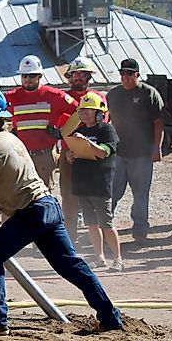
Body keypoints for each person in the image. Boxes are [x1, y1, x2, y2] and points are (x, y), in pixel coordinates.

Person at [0, 86, 123, 336]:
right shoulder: (9, 139)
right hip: (47, 207)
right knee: (71, 266)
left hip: (31, 212)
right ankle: (110, 317)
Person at [106, 58, 165, 243]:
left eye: (130, 74)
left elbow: (158, 123)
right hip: (118, 152)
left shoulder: (149, 93)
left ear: (137, 74)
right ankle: (105, 226)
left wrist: (157, 148)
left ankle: (140, 229)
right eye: (122, 73)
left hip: (142, 153)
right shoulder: (113, 94)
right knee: (112, 191)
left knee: (140, 193)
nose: (125, 77)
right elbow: (105, 121)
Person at [65, 93, 123, 271]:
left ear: (99, 113)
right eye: (82, 110)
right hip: (83, 184)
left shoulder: (106, 130)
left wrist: (87, 144)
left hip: (100, 184)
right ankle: (99, 257)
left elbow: (104, 152)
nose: (85, 114)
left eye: (89, 111)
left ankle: (118, 259)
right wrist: (70, 154)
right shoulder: (80, 131)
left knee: (106, 222)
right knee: (91, 223)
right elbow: (73, 154)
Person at [5, 55, 78, 190]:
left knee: (44, 195)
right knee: (20, 195)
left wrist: (63, 132)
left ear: (40, 76)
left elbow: (79, 112)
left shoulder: (55, 95)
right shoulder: (10, 97)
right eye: (24, 76)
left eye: (32, 76)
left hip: (44, 156)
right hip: (20, 155)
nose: (27, 79)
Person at [58, 56, 107, 242]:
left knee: (95, 197)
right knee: (69, 197)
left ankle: (99, 241)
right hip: (68, 153)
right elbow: (54, 122)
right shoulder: (61, 98)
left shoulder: (99, 98)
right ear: (70, 76)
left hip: (91, 153)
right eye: (75, 73)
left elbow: (103, 125)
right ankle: (69, 239)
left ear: (89, 76)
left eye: (82, 74)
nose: (78, 77)